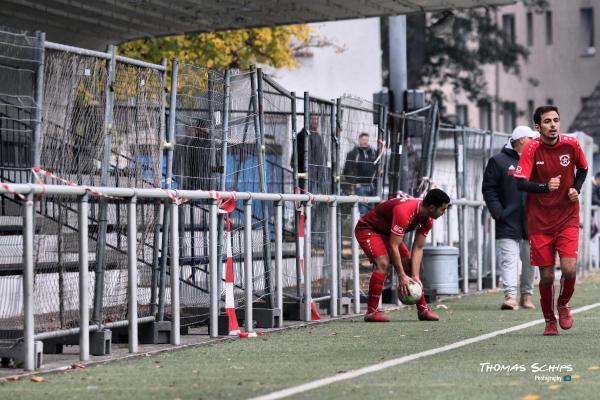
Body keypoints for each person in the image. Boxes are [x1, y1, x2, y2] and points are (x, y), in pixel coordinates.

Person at [514, 105, 588, 336]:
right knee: (546, 276)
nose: (553, 125)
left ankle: (563, 304)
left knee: (568, 269)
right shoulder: (531, 149)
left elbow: (583, 169)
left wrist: (575, 189)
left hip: (567, 217)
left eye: (556, 120)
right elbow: (520, 183)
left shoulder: (571, 144)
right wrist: (545, 187)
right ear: (538, 127)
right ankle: (549, 320)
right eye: (547, 121)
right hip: (540, 222)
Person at [355, 188, 450, 322]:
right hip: (368, 229)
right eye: (443, 209)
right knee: (383, 263)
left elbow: (418, 247)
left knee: (408, 264)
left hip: (387, 233)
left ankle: (423, 309)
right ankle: (372, 312)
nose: (443, 213)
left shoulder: (427, 220)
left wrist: (415, 276)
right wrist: (401, 276)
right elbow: (394, 246)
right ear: (432, 207)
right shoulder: (404, 212)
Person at [482, 126, 538, 310]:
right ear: (522, 140)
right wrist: (499, 212)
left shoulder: (536, 161)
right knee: (509, 260)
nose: (535, 143)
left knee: (531, 260)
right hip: (507, 221)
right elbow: (489, 189)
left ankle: (527, 296)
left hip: (532, 222)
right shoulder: (498, 161)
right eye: (532, 139)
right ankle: (510, 296)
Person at [342, 132, 378, 213]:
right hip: (360, 186)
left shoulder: (374, 153)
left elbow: (378, 168)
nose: (365, 142)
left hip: (373, 186)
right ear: (359, 140)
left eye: (366, 140)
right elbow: (346, 170)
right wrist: (354, 183)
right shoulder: (353, 154)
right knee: (362, 211)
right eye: (363, 140)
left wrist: (376, 182)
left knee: (373, 212)